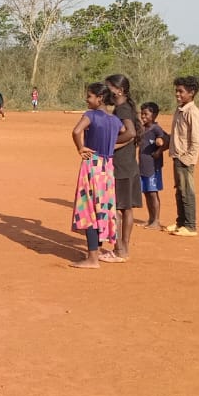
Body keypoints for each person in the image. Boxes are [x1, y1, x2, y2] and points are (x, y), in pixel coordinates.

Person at [69, 82, 122, 269]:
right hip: (107, 168)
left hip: (92, 164)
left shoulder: (91, 115)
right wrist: (112, 144)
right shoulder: (115, 120)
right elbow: (126, 133)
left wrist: (80, 147)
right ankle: (96, 252)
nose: (87, 99)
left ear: (99, 98)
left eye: (90, 96)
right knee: (102, 209)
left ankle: (92, 258)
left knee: (88, 209)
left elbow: (76, 131)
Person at [105, 74, 141, 260]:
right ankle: (123, 249)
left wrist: (109, 143)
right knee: (126, 208)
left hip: (121, 165)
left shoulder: (122, 110)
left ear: (119, 90)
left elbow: (131, 133)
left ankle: (119, 250)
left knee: (118, 209)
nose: (106, 91)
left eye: (109, 88)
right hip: (129, 164)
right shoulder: (126, 107)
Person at [164, 76, 199, 237]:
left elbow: (198, 138)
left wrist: (188, 157)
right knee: (179, 190)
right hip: (177, 156)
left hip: (184, 158)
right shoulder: (180, 109)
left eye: (181, 91)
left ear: (191, 93)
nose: (177, 94)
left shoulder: (192, 112)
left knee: (187, 190)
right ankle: (180, 222)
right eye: (176, 91)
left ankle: (190, 225)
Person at [138, 102, 168, 231]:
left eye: (146, 114)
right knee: (146, 192)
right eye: (142, 114)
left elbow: (164, 139)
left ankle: (156, 220)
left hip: (153, 167)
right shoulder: (142, 128)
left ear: (154, 115)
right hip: (143, 166)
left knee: (152, 192)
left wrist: (159, 147)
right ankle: (150, 218)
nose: (143, 116)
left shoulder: (156, 129)